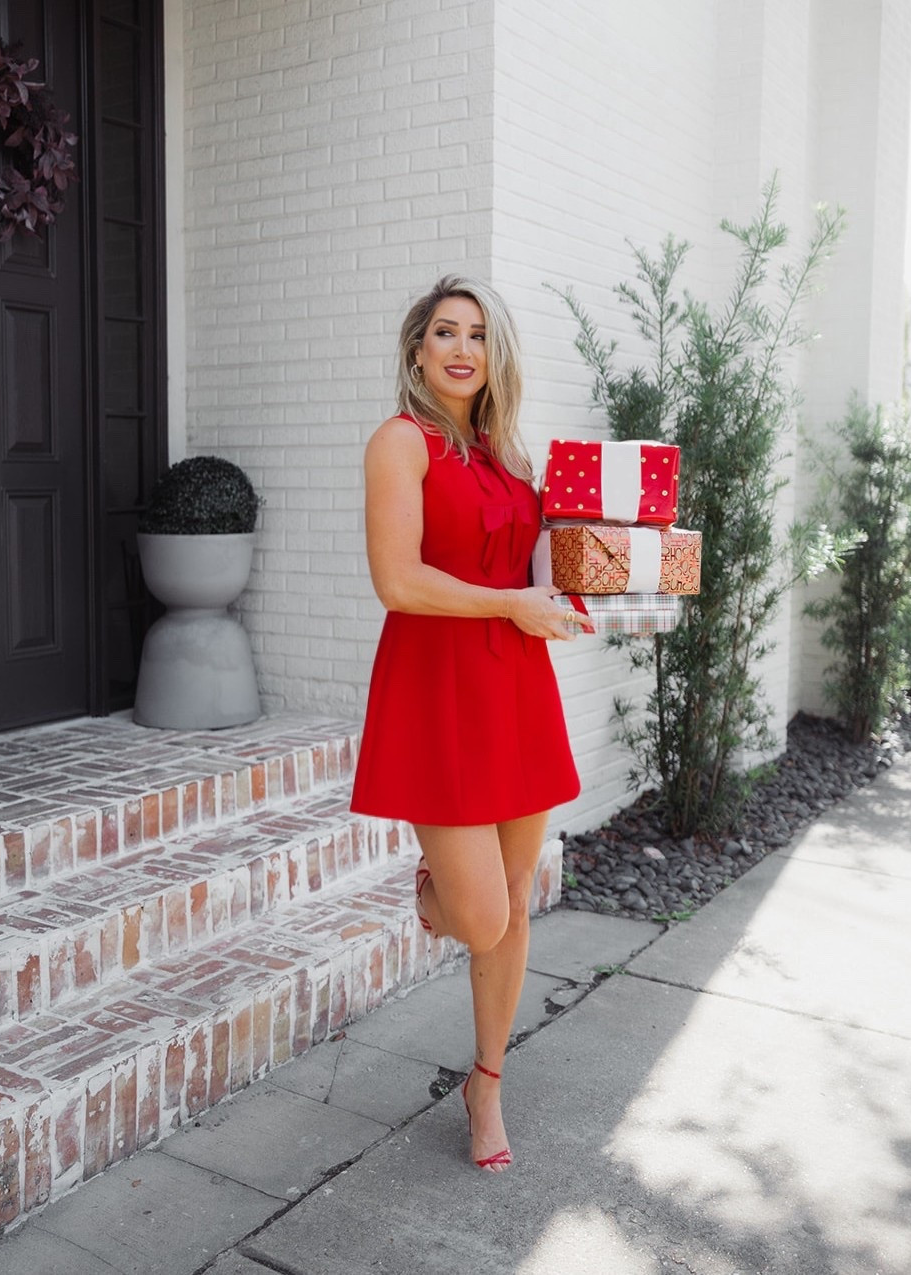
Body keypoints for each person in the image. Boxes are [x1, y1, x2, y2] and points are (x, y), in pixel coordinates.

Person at [350, 275, 591, 1173]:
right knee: (483, 916)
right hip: (436, 688)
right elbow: (400, 582)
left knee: (517, 903)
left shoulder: (514, 459)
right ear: (418, 350)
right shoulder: (399, 444)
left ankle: (485, 1083)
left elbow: (536, 566)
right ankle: (437, 891)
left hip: (516, 686)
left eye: (477, 336)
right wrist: (511, 605)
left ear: (495, 356)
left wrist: (582, 575)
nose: (461, 349)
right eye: (444, 333)